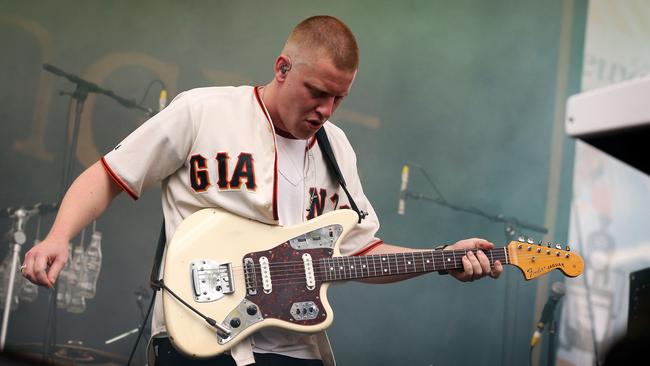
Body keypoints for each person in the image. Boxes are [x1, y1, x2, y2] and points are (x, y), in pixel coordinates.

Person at [21, 15, 503, 366]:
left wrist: (442, 257)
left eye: (339, 97)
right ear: (282, 68)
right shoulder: (203, 112)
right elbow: (110, 173)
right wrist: (58, 236)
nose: (327, 109)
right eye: (317, 91)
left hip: (296, 350)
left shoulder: (337, 149)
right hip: (202, 336)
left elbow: (361, 251)